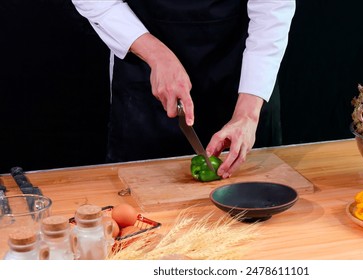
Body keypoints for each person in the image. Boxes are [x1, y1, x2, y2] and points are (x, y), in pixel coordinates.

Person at [71, 0, 295, 178]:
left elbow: (272, 10)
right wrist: (155, 55)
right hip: (145, 81)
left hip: (243, 77)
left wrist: (247, 114)